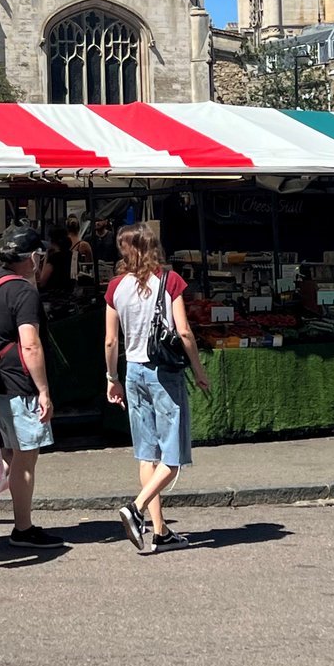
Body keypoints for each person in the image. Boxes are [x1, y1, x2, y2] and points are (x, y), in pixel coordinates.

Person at [104, 222, 210, 553]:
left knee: (146, 452)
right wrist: (199, 369)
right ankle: (135, 509)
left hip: (133, 371)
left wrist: (112, 377)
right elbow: (185, 332)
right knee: (173, 456)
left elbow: (111, 340)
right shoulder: (170, 281)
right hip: (164, 372)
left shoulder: (115, 287)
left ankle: (161, 531)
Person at [0, 224, 64, 549]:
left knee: (11, 450)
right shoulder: (23, 291)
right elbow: (30, 344)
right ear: (31, 258)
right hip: (18, 382)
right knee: (26, 456)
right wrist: (44, 390)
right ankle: (23, 528)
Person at [37, 226, 72, 293]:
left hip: (53, 294)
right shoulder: (71, 254)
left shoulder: (54, 258)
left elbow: (42, 281)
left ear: (52, 241)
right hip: (68, 292)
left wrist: (47, 256)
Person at [66, 214, 93, 278]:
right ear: (79, 228)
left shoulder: (61, 245)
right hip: (79, 279)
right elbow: (90, 265)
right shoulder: (84, 245)